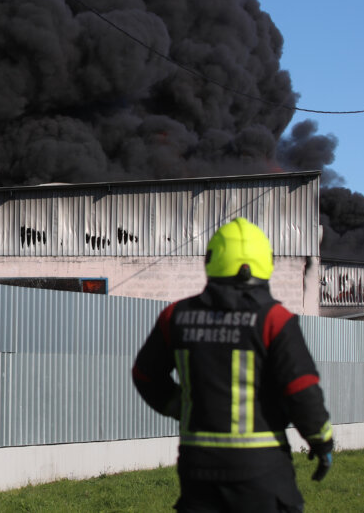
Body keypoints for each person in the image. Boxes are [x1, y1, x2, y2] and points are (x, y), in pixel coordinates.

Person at [132, 217, 333, 512]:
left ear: (212, 259)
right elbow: (301, 389)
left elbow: (145, 376)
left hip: (197, 467)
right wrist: (321, 441)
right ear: (265, 261)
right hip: (261, 468)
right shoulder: (275, 320)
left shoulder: (175, 316)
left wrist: (182, 408)